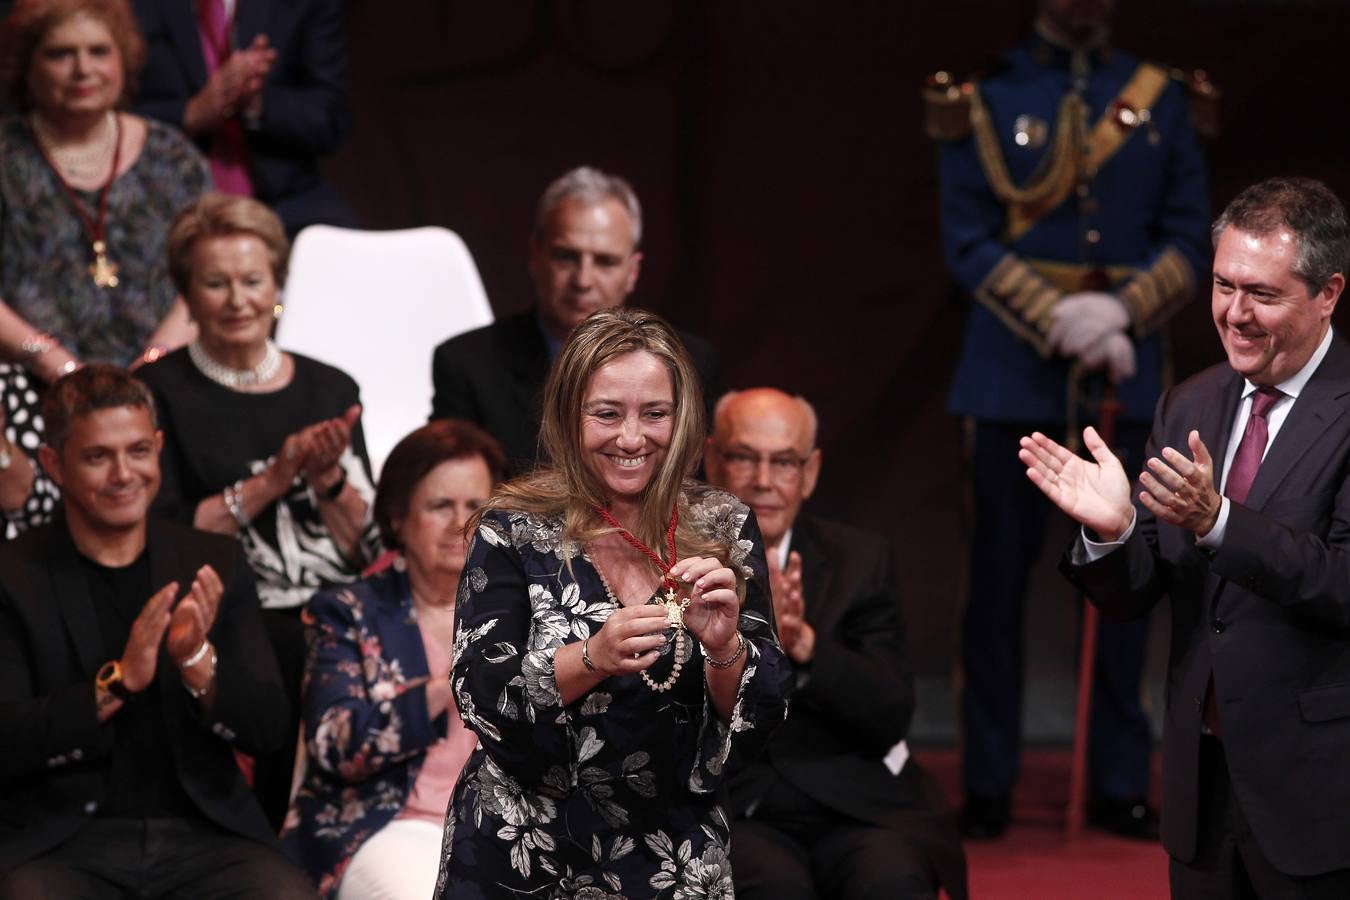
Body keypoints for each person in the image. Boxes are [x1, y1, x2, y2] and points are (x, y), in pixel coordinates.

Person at [926, 0, 1212, 838]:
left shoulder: (1157, 97)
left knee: (1134, 575)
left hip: (1126, 368)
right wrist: (1057, 316)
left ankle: (1121, 781)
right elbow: (968, 237)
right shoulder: (985, 95)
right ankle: (987, 783)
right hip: (1010, 374)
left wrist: (1122, 314)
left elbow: (1191, 236)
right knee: (994, 593)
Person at [1022, 176, 1350, 896]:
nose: (1235, 314)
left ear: (1328, 293)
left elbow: (1341, 583)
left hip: (1319, 796)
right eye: (1223, 285)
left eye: (1263, 294)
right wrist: (1112, 535)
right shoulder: (1190, 401)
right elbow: (1142, 592)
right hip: (1202, 791)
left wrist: (1220, 522)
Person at [434, 308, 791, 897]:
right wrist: (591, 657)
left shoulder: (725, 525)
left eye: (655, 414)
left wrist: (726, 646)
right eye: (606, 414)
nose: (632, 438)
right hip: (525, 846)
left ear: (682, 420)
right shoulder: (512, 527)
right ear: (568, 416)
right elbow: (480, 693)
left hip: (674, 854)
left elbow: (765, 710)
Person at [0, 365, 314, 898]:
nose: (124, 474)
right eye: (98, 456)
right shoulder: (13, 575)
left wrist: (197, 662)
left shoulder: (213, 561)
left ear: (159, 447)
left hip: (206, 835)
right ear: (53, 463)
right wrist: (117, 684)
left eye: (138, 451)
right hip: (63, 840)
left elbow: (267, 729)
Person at [136, 191, 379, 828]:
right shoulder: (161, 393)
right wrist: (275, 479)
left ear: (277, 284)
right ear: (187, 296)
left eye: (252, 280)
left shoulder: (330, 385)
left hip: (334, 605)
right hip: (231, 608)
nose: (238, 300)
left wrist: (326, 481)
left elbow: (368, 546)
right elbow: (163, 535)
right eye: (216, 283)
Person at [706, 388, 968, 900]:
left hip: (852, 800)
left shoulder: (858, 558)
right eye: (743, 458)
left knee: (892, 877)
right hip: (738, 803)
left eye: (784, 463)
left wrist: (805, 645)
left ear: (811, 471)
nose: (763, 481)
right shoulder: (673, 555)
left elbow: (889, 711)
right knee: (773, 885)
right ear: (711, 458)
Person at [284, 419, 507, 899]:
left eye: (475, 507)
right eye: (439, 506)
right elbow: (334, 746)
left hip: (506, 831)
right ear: (398, 517)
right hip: (390, 826)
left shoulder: (523, 610)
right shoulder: (350, 612)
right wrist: (451, 683)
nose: (460, 524)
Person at [430, 165, 723, 473]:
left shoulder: (692, 363)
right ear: (535, 255)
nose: (583, 280)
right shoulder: (466, 364)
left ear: (633, 270)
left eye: (605, 262)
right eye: (566, 257)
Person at [0, 0, 209, 377]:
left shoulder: (173, 157)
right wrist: (48, 359)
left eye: (99, 52)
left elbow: (211, 269)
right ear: (27, 65)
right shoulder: (5, 155)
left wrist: (156, 360)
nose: (83, 70)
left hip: (164, 381)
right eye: (60, 54)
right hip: (29, 380)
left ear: (123, 59)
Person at [130, 0, 355, 235]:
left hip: (285, 202)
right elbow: (105, 114)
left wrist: (257, 103)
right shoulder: (131, 7)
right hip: (168, 208)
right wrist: (191, 114)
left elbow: (330, 117)